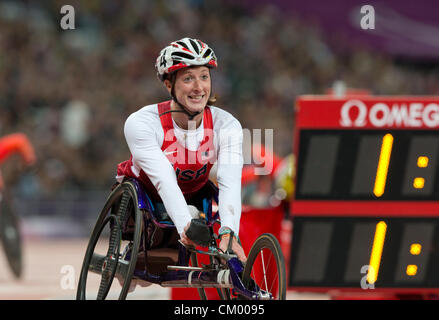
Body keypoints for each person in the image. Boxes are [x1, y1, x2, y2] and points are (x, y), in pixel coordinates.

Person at [116, 37, 246, 262]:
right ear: (169, 85)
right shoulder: (142, 123)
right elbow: (164, 180)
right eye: (188, 79)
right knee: (180, 216)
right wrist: (186, 225)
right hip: (146, 197)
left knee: (208, 212)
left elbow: (230, 180)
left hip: (195, 194)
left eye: (204, 77)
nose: (199, 87)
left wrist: (228, 232)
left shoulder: (227, 125)